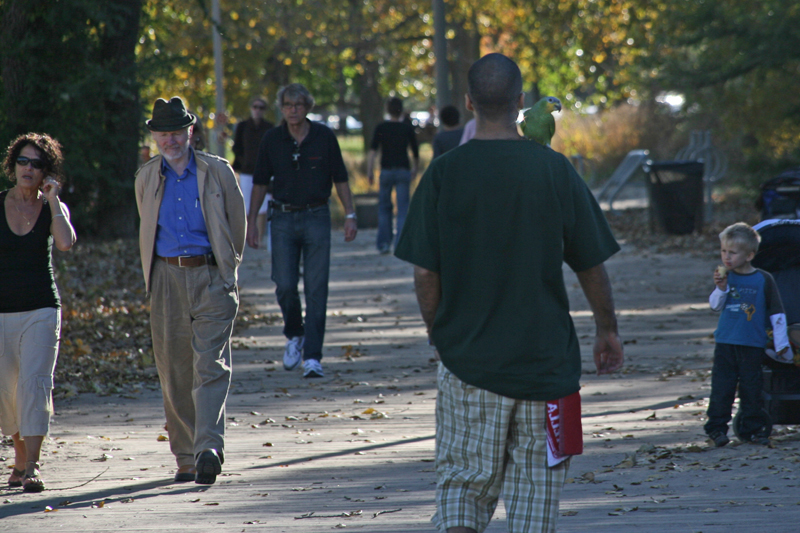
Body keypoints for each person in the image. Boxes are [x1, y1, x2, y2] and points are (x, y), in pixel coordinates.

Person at [395, 53, 624, 533]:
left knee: (462, 490)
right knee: (535, 500)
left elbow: (423, 273)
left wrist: (439, 333)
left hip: (468, 362)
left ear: (468, 102)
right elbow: (591, 263)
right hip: (547, 366)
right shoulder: (555, 170)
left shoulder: (443, 173)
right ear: (521, 102)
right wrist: (607, 330)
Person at [135, 97, 246, 484]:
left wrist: (228, 272)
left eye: (177, 133)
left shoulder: (217, 172)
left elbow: (236, 223)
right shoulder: (147, 177)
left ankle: (208, 448)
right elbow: (147, 225)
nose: (171, 140)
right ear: (155, 137)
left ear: (190, 133)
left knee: (210, 364)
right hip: (166, 278)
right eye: (164, 134)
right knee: (175, 369)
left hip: (211, 276)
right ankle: (185, 455)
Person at [247, 84, 357, 379]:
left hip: (317, 216)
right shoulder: (272, 139)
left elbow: (341, 178)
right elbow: (259, 182)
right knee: (283, 283)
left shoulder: (324, 137)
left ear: (307, 106)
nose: (293, 110)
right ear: (281, 108)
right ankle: (294, 334)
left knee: (317, 287)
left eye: (298, 104)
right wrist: (251, 224)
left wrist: (350, 214)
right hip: (281, 218)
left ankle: (313, 356)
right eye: (287, 105)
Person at [0, 133, 77, 492]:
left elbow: (65, 242)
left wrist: (53, 198)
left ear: (47, 171)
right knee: (7, 393)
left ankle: (32, 466)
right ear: (12, 166)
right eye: (23, 162)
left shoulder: (51, 207)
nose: (28, 169)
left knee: (33, 386)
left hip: (41, 310)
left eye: (36, 163)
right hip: (1, 311)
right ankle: (18, 458)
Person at [706, 222, 789, 447]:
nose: (726, 257)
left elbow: (777, 313)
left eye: (732, 253)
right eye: (723, 251)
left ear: (750, 254)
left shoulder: (763, 279)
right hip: (726, 342)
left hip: (752, 344)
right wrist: (721, 288)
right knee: (722, 387)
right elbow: (715, 306)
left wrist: (782, 343)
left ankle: (753, 429)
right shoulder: (726, 277)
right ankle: (716, 429)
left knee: (752, 389)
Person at [366, 97, 419, 254]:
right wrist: (415, 168)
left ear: (387, 110)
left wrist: (370, 170)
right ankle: (400, 244)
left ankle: (383, 243)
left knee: (384, 208)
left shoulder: (382, 127)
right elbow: (415, 151)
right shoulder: (406, 128)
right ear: (401, 110)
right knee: (403, 208)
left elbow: (373, 150)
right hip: (403, 170)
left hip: (386, 170)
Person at [233, 97, 274, 248]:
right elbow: (237, 147)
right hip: (246, 171)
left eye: (261, 107)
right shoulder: (242, 126)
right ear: (251, 108)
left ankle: (259, 237)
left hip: (264, 172)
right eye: (255, 106)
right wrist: (243, 163)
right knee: (246, 205)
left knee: (262, 206)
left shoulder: (269, 127)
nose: (257, 110)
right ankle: (247, 236)